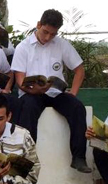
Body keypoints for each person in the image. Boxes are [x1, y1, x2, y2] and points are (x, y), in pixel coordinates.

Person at [12, 9, 91, 173]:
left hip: (55, 93)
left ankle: (78, 157)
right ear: (38, 25)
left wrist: (73, 92)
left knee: (77, 107)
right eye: (45, 32)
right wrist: (34, 89)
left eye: (52, 34)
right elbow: (20, 81)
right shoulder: (23, 47)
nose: (48, 37)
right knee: (27, 107)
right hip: (31, 93)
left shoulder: (62, 44)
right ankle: (26, 157)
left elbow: (79, 70)